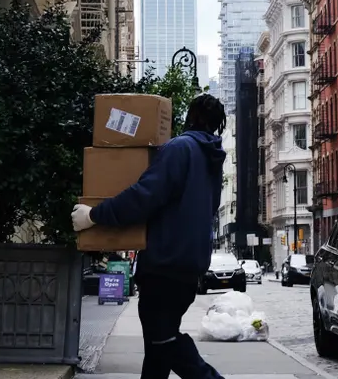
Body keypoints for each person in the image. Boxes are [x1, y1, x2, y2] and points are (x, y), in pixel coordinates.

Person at [72, 94, 228, 379]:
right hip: (189, 266)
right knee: (157, 348)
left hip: (165, 264)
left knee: (163, 341)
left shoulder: (180, 148)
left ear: (190, 117)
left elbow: (144, 196)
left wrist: (93, 215)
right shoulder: (211, 158)